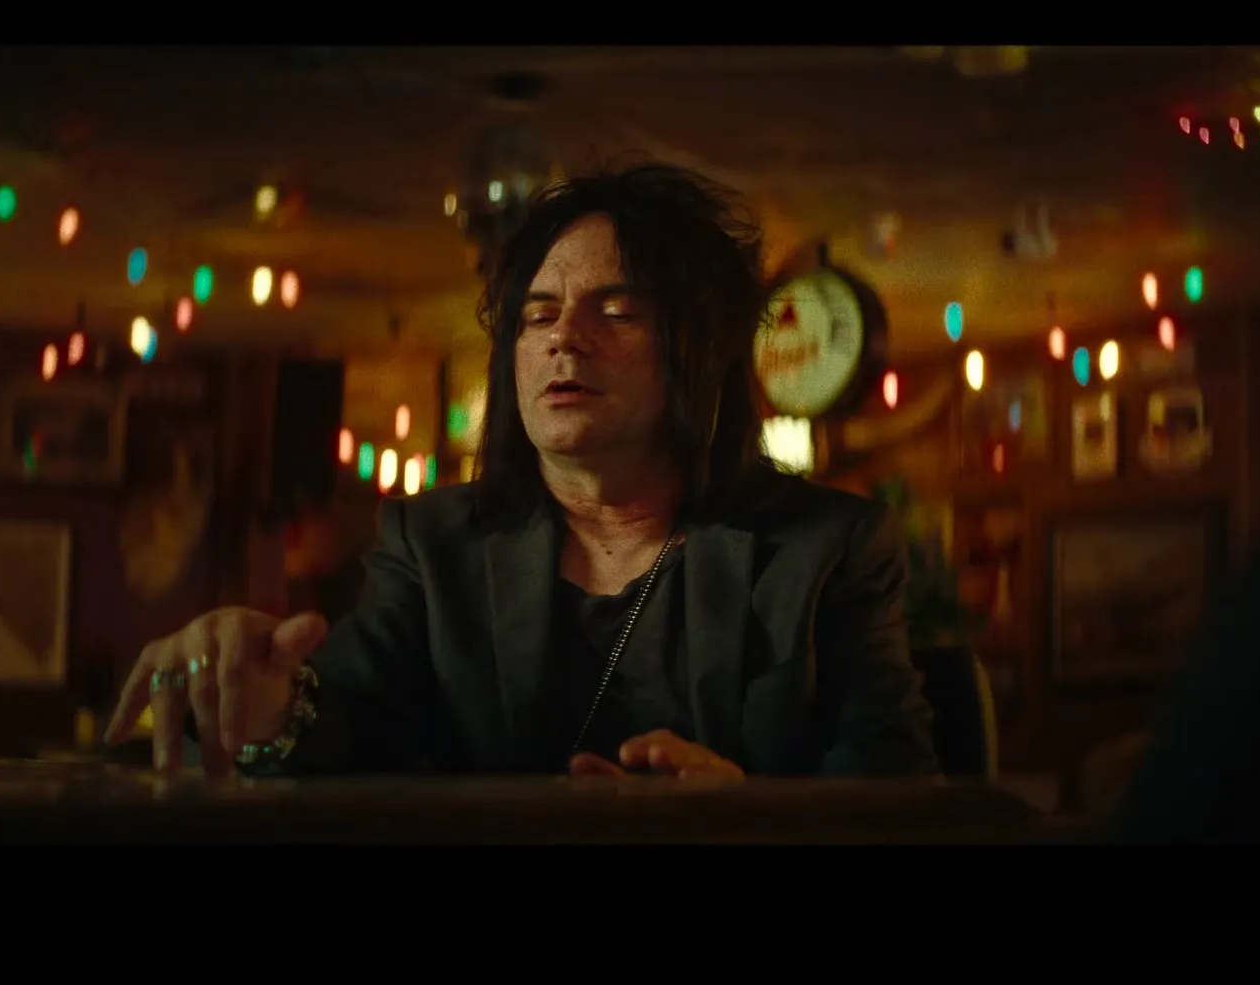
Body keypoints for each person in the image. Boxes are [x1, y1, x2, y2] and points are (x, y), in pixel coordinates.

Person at [105, 162, 939, 781]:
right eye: (538, 316)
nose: (563, 337)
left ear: (699, 354)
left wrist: (738, 817)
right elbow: (348, 721)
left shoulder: (827, 551)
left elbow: (897, 794)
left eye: (616, 311)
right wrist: (270, 710)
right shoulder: (433, 544)